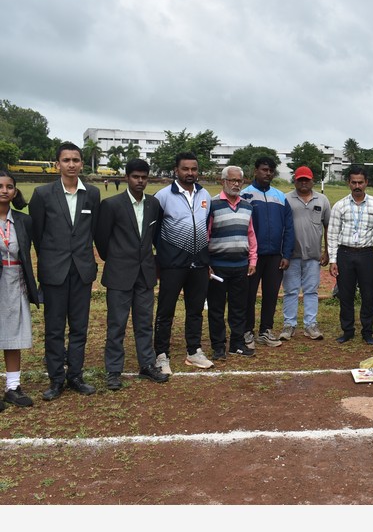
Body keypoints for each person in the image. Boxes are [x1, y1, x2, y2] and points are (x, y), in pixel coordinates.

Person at [29, 142, 100, 400]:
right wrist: (53, 258)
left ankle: (75, 376)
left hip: (81, 270)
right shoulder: (43, 194)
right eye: (66, 160)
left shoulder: (92, 194)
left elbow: (91, 231)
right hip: (54, 271)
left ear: (82, 164)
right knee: (55, 328)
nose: (71, 164)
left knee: (79, 327)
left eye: (76, 160)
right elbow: (38, 233)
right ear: (57, 164)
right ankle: (56, 379)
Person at [95, 159, 169, 391]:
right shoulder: (111, 205)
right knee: (116, 324)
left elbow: (154, 236)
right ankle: (114, 371)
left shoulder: (154, 204)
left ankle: (147, 364)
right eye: (136, 176)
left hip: (145, 274)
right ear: (127, 177)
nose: (140, 181)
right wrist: (116, 260)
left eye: (144, 177)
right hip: (119, 273)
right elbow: (102, 239)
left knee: (144, 323)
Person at [153, 151, 214, 373]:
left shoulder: (205, 194)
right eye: (185, 169)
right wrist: (165, 256)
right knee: (165, 311)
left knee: (195, 310)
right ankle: (161, 355)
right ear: (176, 171)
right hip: (173, 264)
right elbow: (155, 231)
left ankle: (194, 351)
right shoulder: (162, 196)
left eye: (194, 169)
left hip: (199, 263)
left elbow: (205, 225)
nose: (190, 173)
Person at [328, 166, 373, 345]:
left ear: (366, 182)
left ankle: (367, 332)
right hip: (345, 253)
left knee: (369, 294)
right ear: (348, 183)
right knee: (346, 295)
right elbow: (332, 233)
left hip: (367, 254)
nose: (357, 186)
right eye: (354, 182)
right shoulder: (340, 206)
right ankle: (347, 331)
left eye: (360, 182)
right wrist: (332, 259)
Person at [240, 156, 294, 348]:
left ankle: (265, 331)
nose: (267, 173)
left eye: (271, 170)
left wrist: (286, 254)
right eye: (264, 169)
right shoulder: (245, 195)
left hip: (275, 257)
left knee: (271, 295)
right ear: (255, 171)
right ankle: (247, 331)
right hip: (252, 257)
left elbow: (289, 227)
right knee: (249, 295)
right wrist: (246, 255)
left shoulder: (281, 197)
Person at [206, 165, 257, 360]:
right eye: (232, 180)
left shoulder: (247, 206)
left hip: (241, 267)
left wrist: (253, 259)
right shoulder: (213, 204)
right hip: (218, 267)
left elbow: (251, 235)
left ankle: (237, 344)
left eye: (239, 181)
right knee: (217, 309)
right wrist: (207, 263)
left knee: (238, 308)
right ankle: (218, 346)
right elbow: (206, 234)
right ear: (223, 181)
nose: (236, 184)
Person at [0, 171, 39, 409]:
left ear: (15, 192)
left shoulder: (24, 221)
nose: (4, 190)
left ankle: (12, 387)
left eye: (9, 186)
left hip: (15, 280)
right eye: (0, 186)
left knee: (13, 334)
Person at [282, 166, 331, 341]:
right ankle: (289, 325)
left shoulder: (322, 200)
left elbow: (328, 227)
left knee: (311, 291)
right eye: (300, 179)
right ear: (294, 180)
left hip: (314, 255)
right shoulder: (286, 199)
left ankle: (311, 325)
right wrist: (283, 254)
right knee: (290, 291)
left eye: (307, 180)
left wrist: (327, 251)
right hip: (291, 255)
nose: (303, 182)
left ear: (312, 181)